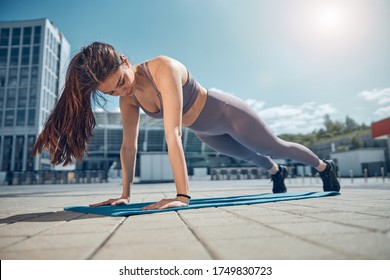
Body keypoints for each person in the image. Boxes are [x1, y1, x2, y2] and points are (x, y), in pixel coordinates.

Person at [32, 42, 340, 210]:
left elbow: (173, 132)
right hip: (206, 131)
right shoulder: (129, 99)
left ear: (125, 60)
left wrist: (182, 196)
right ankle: (277, 172)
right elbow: (129, 145)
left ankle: (324, 167)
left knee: (274, 146)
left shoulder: (162, 68)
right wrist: (125, 193)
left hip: (227, 114)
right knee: (251, 158)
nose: (121, 92)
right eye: (111, 92)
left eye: (121, 83)